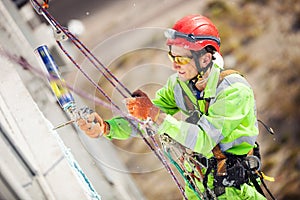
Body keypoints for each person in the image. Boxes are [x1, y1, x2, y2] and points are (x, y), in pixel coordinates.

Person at [77, 14, 266, 199]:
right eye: (172, 58)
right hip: (198, 183)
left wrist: (155, 114)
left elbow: (204, 139)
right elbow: (145, 122)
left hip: (233, 190)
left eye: (182, 59)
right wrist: (107, 127)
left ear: (205, 59)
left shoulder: (234, 91)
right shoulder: (179, 85)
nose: (176, 66)